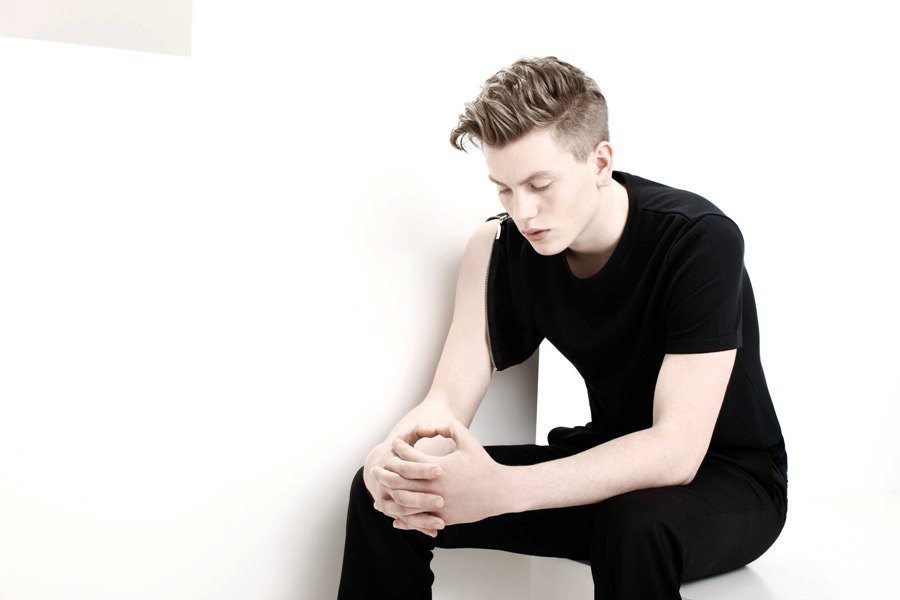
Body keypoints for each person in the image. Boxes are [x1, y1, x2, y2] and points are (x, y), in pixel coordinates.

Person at [337, 56, 788, 600]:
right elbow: (446, 402)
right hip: (604, 464)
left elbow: (676, 449)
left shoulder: (699, 240)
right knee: (385, 498)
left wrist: (504, 489)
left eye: (540, 184)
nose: (523, 212)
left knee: (633, 525)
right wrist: (389, 460)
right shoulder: (498, 248)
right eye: (504, 189)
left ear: (600, 162)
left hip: (727, 481)